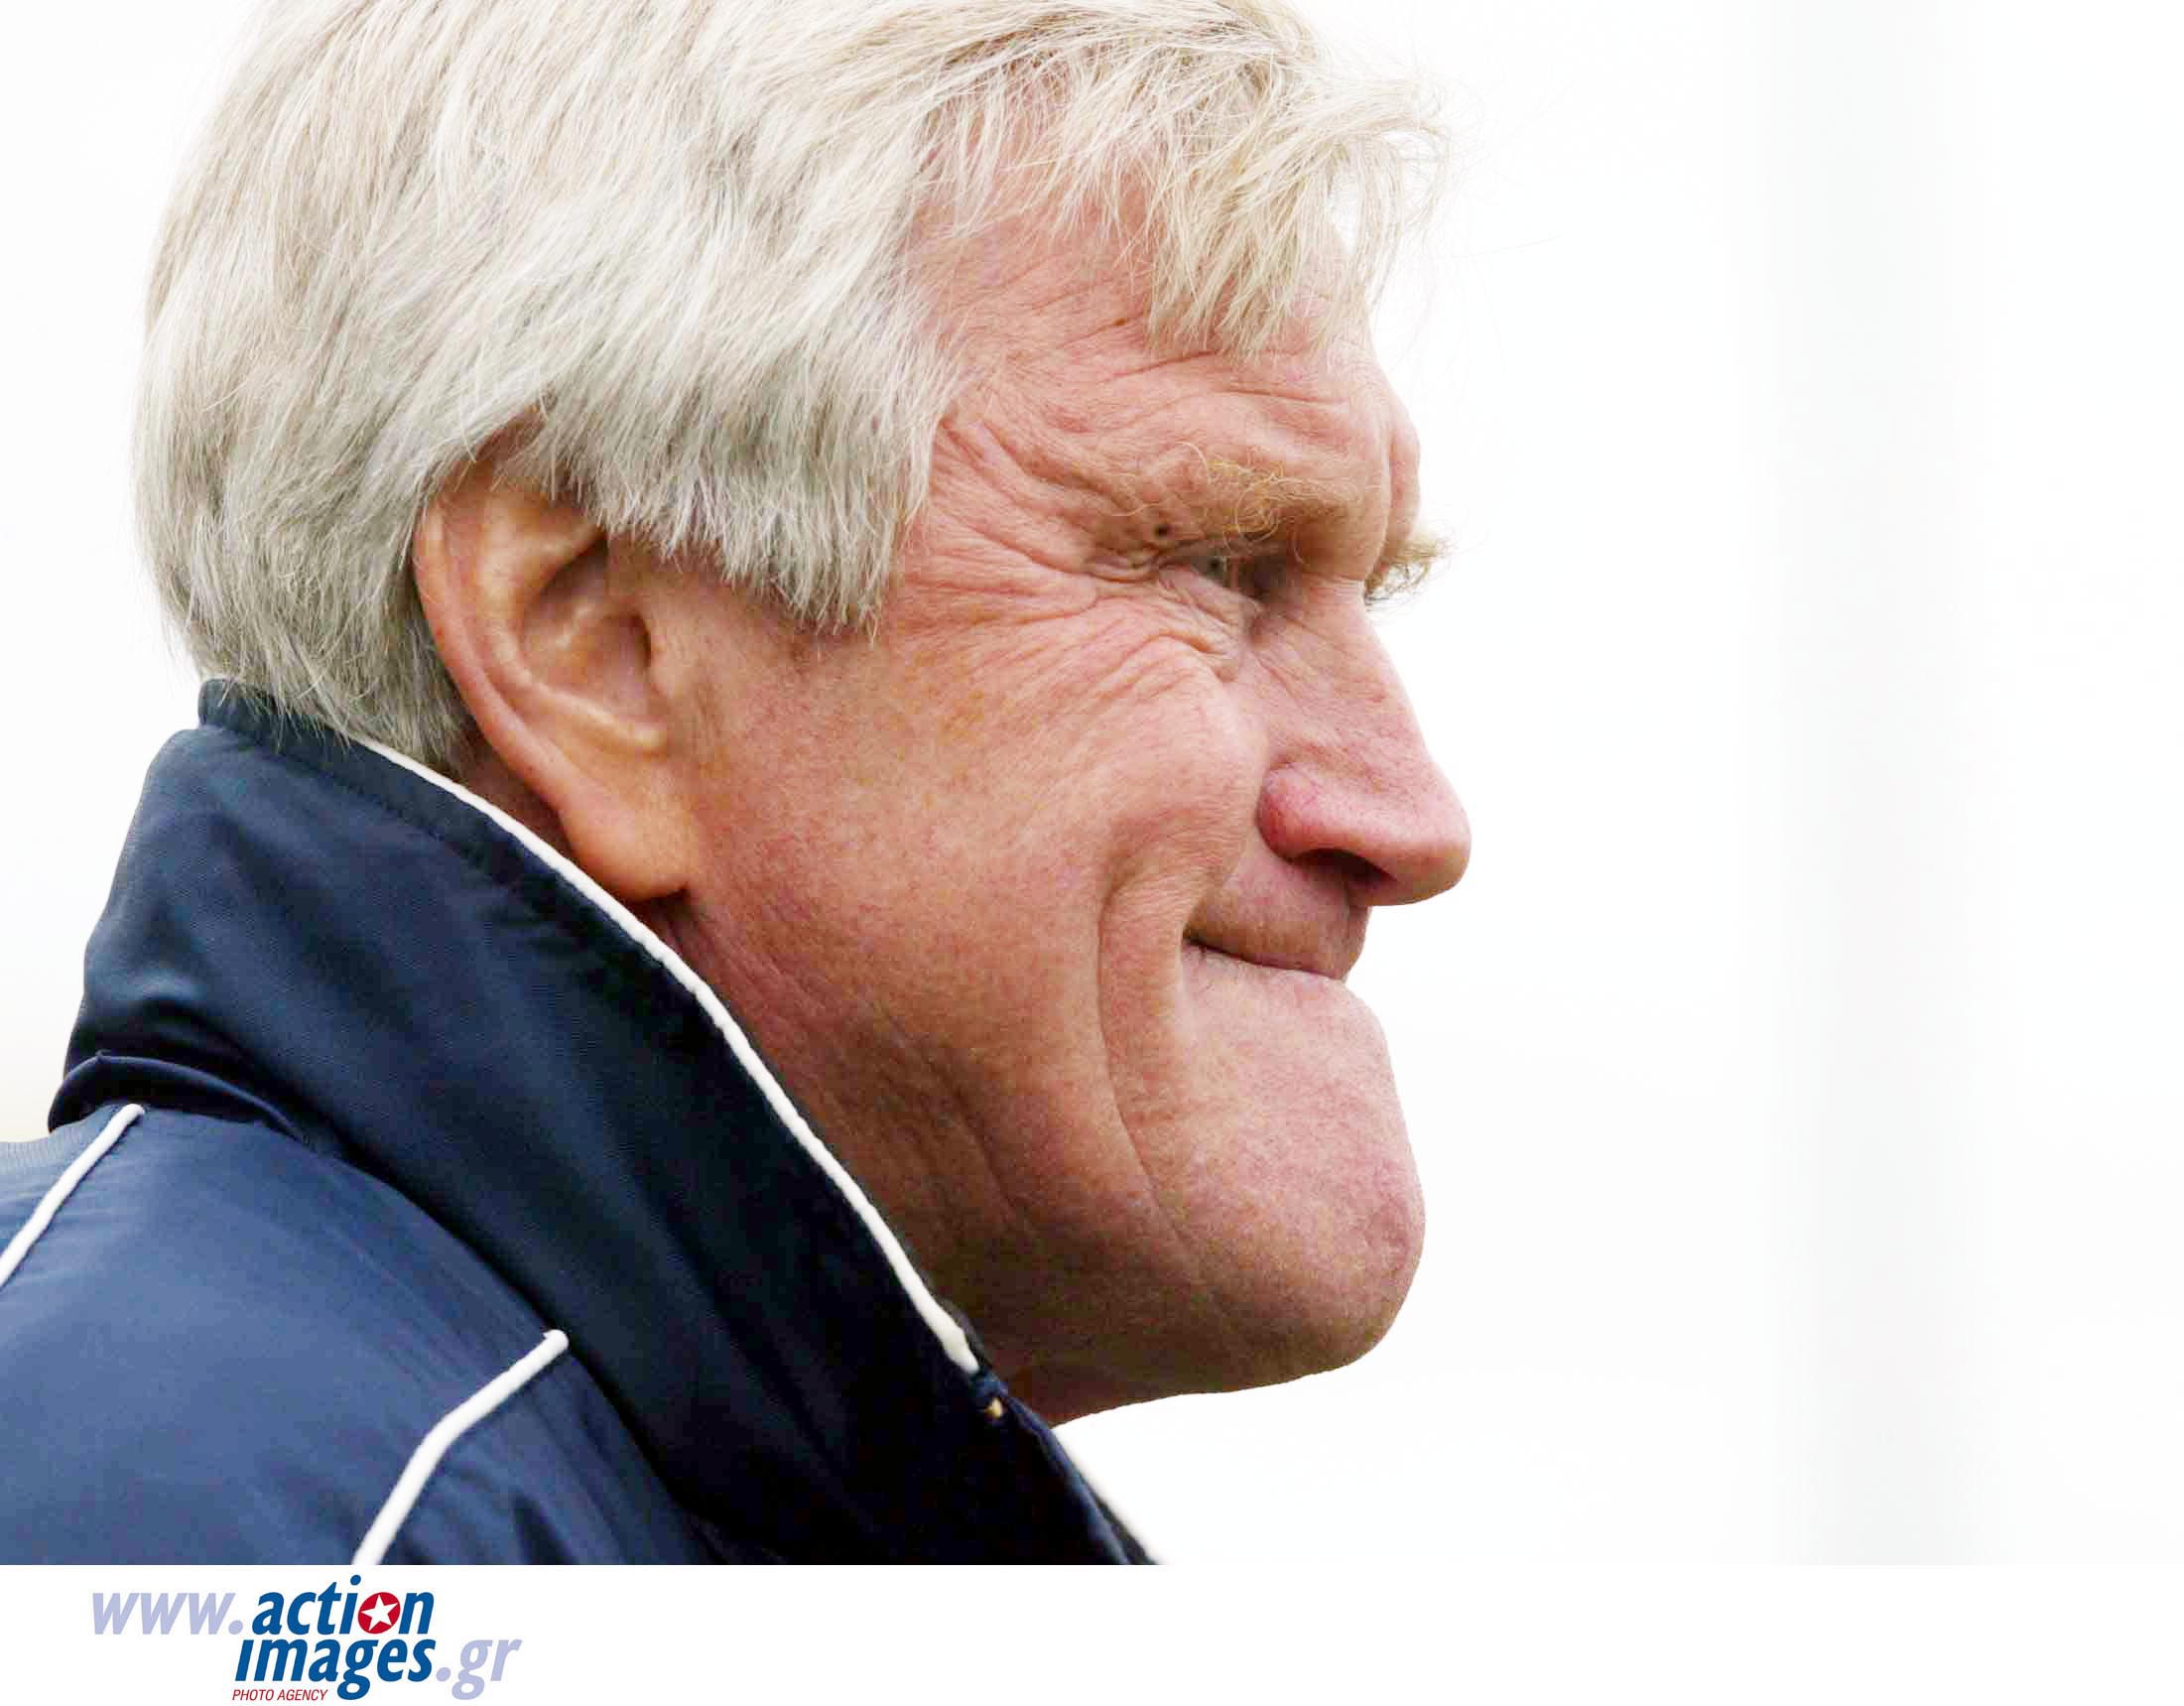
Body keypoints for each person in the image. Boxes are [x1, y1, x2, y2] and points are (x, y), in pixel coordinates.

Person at [0, 0, 1466, 1563]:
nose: (1413, 820)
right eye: (1218, 566)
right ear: (592, 648)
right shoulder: (234, 1520)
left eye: (1366, 591)